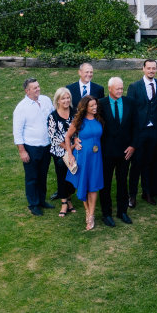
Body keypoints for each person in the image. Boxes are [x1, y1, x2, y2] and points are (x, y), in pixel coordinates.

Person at [63, 96, 107, 233]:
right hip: (83, 157)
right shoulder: (79, 121)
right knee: (84, 185)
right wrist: (70, 153)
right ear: (85, 107)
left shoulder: (99, 119)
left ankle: (91, 215)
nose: (95, 108)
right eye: (92, 106)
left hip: (96, 157)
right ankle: (87, 211)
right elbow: (67, 136)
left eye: (95, 105)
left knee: (93, 186)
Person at [126, 60, 157, 205]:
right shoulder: (135, 87)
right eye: (148, 68)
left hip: (154, 130)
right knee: (136, 164)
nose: (151, 71)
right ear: (143, 69)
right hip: (139, 131)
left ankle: (147, 193)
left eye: (153, 68)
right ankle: (132, 195)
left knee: (149, 163)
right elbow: (129, 110)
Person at [13, 78, 53, 216]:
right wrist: (22, 151)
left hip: (46, 146)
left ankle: (42, 200)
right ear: (27, 91)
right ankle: (33, 204)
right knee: (32, 177)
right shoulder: (21, 108)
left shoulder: (46, 100)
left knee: (43, 175)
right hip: (31, 148)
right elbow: (17, 132)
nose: (38, 89)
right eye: (34, 88)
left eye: (38, 86)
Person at [99, 76, 134, 226]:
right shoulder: (100, 104)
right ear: (110, 89)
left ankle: (122, 211)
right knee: (105, 183)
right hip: (106, 152)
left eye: (121, 88)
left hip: (125, 152)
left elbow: (136, 126)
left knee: (122, 182)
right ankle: (106, 214)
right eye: (117, 88)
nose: (120, 91)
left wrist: (133, 146)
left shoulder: (129, 103)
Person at [46, 85, 78, 212]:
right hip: (60, 151)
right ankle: (64, 202)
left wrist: (74, 146)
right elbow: (54, 136)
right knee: (62, 176)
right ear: (57, 100)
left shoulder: (75, 113)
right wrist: (67, 149)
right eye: (63, 98)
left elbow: (78, 130)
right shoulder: (52, 116)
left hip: (74, 149)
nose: (66, 101)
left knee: (72, 175)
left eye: (68, 98)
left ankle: (69, 199)